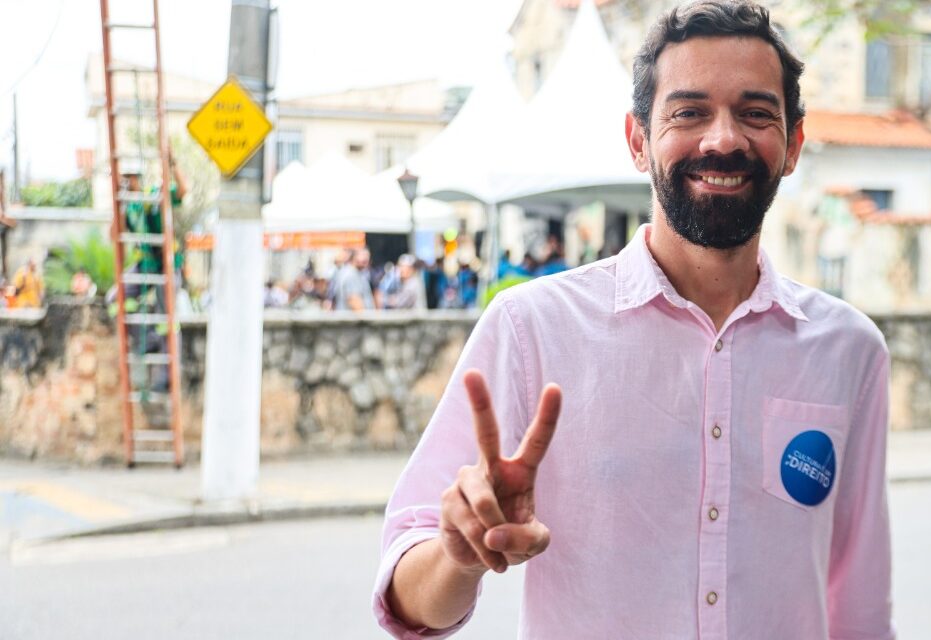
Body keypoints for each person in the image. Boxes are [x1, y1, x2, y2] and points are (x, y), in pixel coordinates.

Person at [374, 2, 894, 639]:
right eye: (689, 112)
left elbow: (860, 604)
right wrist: (460, 555)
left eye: (756, 113)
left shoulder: (848, 350)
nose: (724, 139)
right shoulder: (531, 328)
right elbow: (406, 598)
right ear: (638, 142)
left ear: (792, 146)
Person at [332, 247, 375, 311]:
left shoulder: (352, 272)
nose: (366, 259)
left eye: (368, 256)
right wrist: (367, 319)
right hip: (355, 320)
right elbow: (354, 301)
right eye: (363, 255)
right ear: (353, 256)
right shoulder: (351, 275)